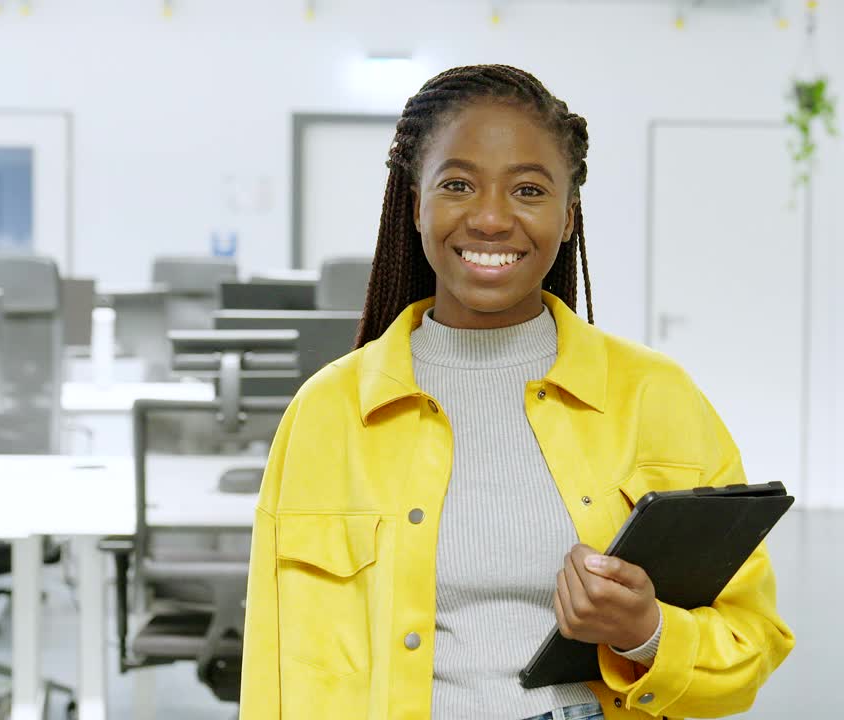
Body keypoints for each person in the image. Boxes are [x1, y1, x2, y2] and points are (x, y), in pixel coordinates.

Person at [240, 64, 793, 720]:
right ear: (416, 204)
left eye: (528, 189)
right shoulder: (328, 412)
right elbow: (277, 665)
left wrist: (645, 630)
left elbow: (749, 646)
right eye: (457, 184)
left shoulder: (657, 397)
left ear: (567, 216)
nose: (492, 218)